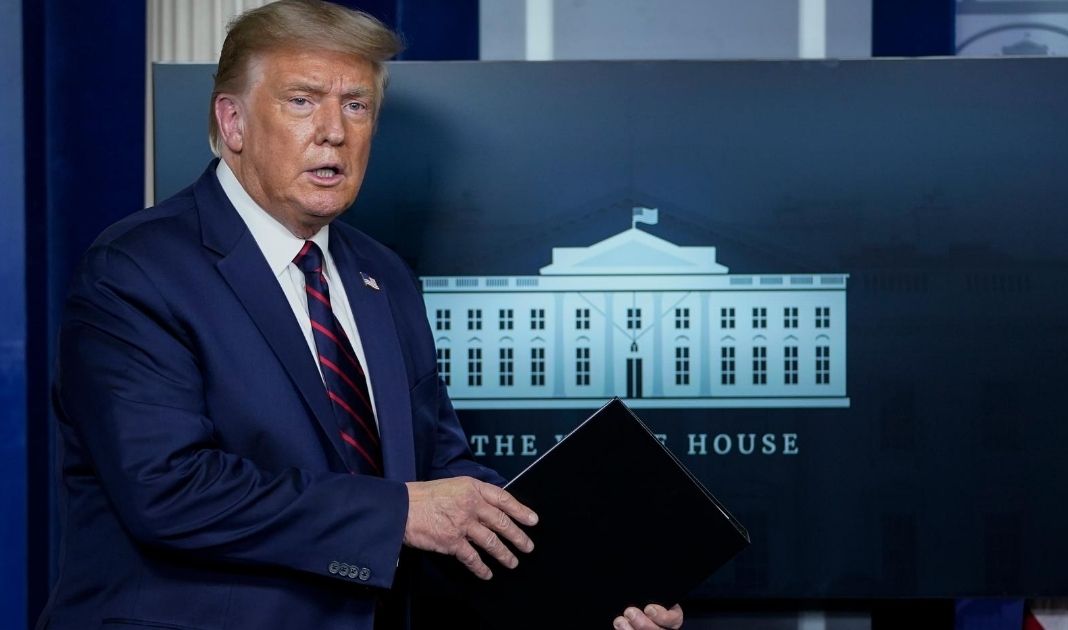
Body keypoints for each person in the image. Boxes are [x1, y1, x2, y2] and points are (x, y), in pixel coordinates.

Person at [36, 1, 684, 629]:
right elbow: (169, 489)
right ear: (232, 123)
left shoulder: (384, 277)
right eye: (302, 100)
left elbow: (441, 477)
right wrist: (398, 512)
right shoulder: (138, 268)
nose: (334, 130)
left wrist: (596, 591)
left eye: (356, 106)